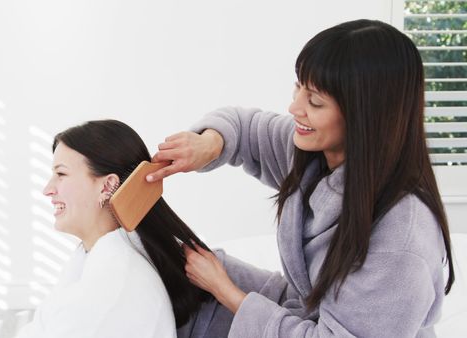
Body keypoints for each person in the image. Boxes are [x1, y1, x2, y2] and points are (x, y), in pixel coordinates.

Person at [148, 19, 455, 337]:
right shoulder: (318, 151)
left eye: (315, 101)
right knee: (176, 271)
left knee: (209, 288)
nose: (294, 107)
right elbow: (245, 128)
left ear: (365, 116)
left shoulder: (401, 240)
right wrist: (207, 145)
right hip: (305, 314)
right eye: (299, 87)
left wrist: (226, 290)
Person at [14, 119, 212, 338]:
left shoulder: (112, 286)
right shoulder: (94, 260)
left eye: (61, 174)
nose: (48, 189)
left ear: (107, 186)